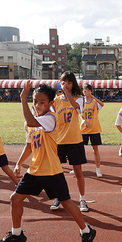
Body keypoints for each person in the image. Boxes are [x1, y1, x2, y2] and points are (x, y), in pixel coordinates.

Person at [0, 81, 96, 242]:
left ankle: (86, 231)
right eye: (35, 101)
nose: (37, 104)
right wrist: (19, 163)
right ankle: (17, 233)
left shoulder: (50, 118)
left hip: (51, 171)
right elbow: (29, 146)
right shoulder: (31, 123)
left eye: (42, 102)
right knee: (15, 199)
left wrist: (22, 99)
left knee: (66, 203)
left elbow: (31, 121)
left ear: (51, 104)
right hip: (34, 170)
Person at [52, 71, 89, 212]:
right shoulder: (55, 101)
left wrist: (66, 93)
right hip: (59, 141)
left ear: (73, 84)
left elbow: (75, 106)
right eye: (63, 82)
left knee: (78, 172)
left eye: (69, 82)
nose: (66, 85)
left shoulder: (79, 98)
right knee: (56, 173)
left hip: (74, 140)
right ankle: (59, 197)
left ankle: (82, 199)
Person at [80, 84, 104, 178]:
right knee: (79, 150)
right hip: (83, 129)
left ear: (91, 91)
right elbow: (79, 113)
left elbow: (102, 104)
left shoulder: (94, 102)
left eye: (88, 90)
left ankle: (98, 169)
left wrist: (93, 97)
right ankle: (77, 168)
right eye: (85, 90)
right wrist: (84, 121)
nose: (86, 92)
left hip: (94, 129)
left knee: (95, 150)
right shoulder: (81, 102)